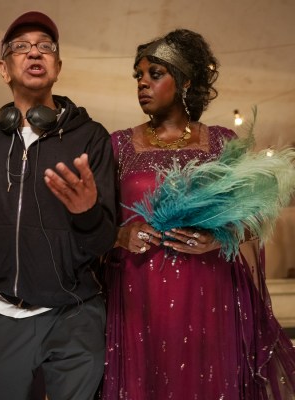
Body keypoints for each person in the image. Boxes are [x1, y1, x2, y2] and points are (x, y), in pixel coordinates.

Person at [100, 29, 295, 399]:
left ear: (185, 81)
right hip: (139, 294)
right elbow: (93, 221)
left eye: (155, 74)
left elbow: (253, 219)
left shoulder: (221, 142)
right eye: (138, 75)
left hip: (210, 292)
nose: (142, 82)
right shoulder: (119, 145)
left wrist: (218, 237)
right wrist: (119, 235)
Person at [0, 10, 116, 400]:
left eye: (45, 47)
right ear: (4, 68)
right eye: (21, 47)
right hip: (0, 313)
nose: (35, 53)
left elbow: (103, 241)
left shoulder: (91, 138)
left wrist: (86, 212)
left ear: (58, 65)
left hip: (75, 314)